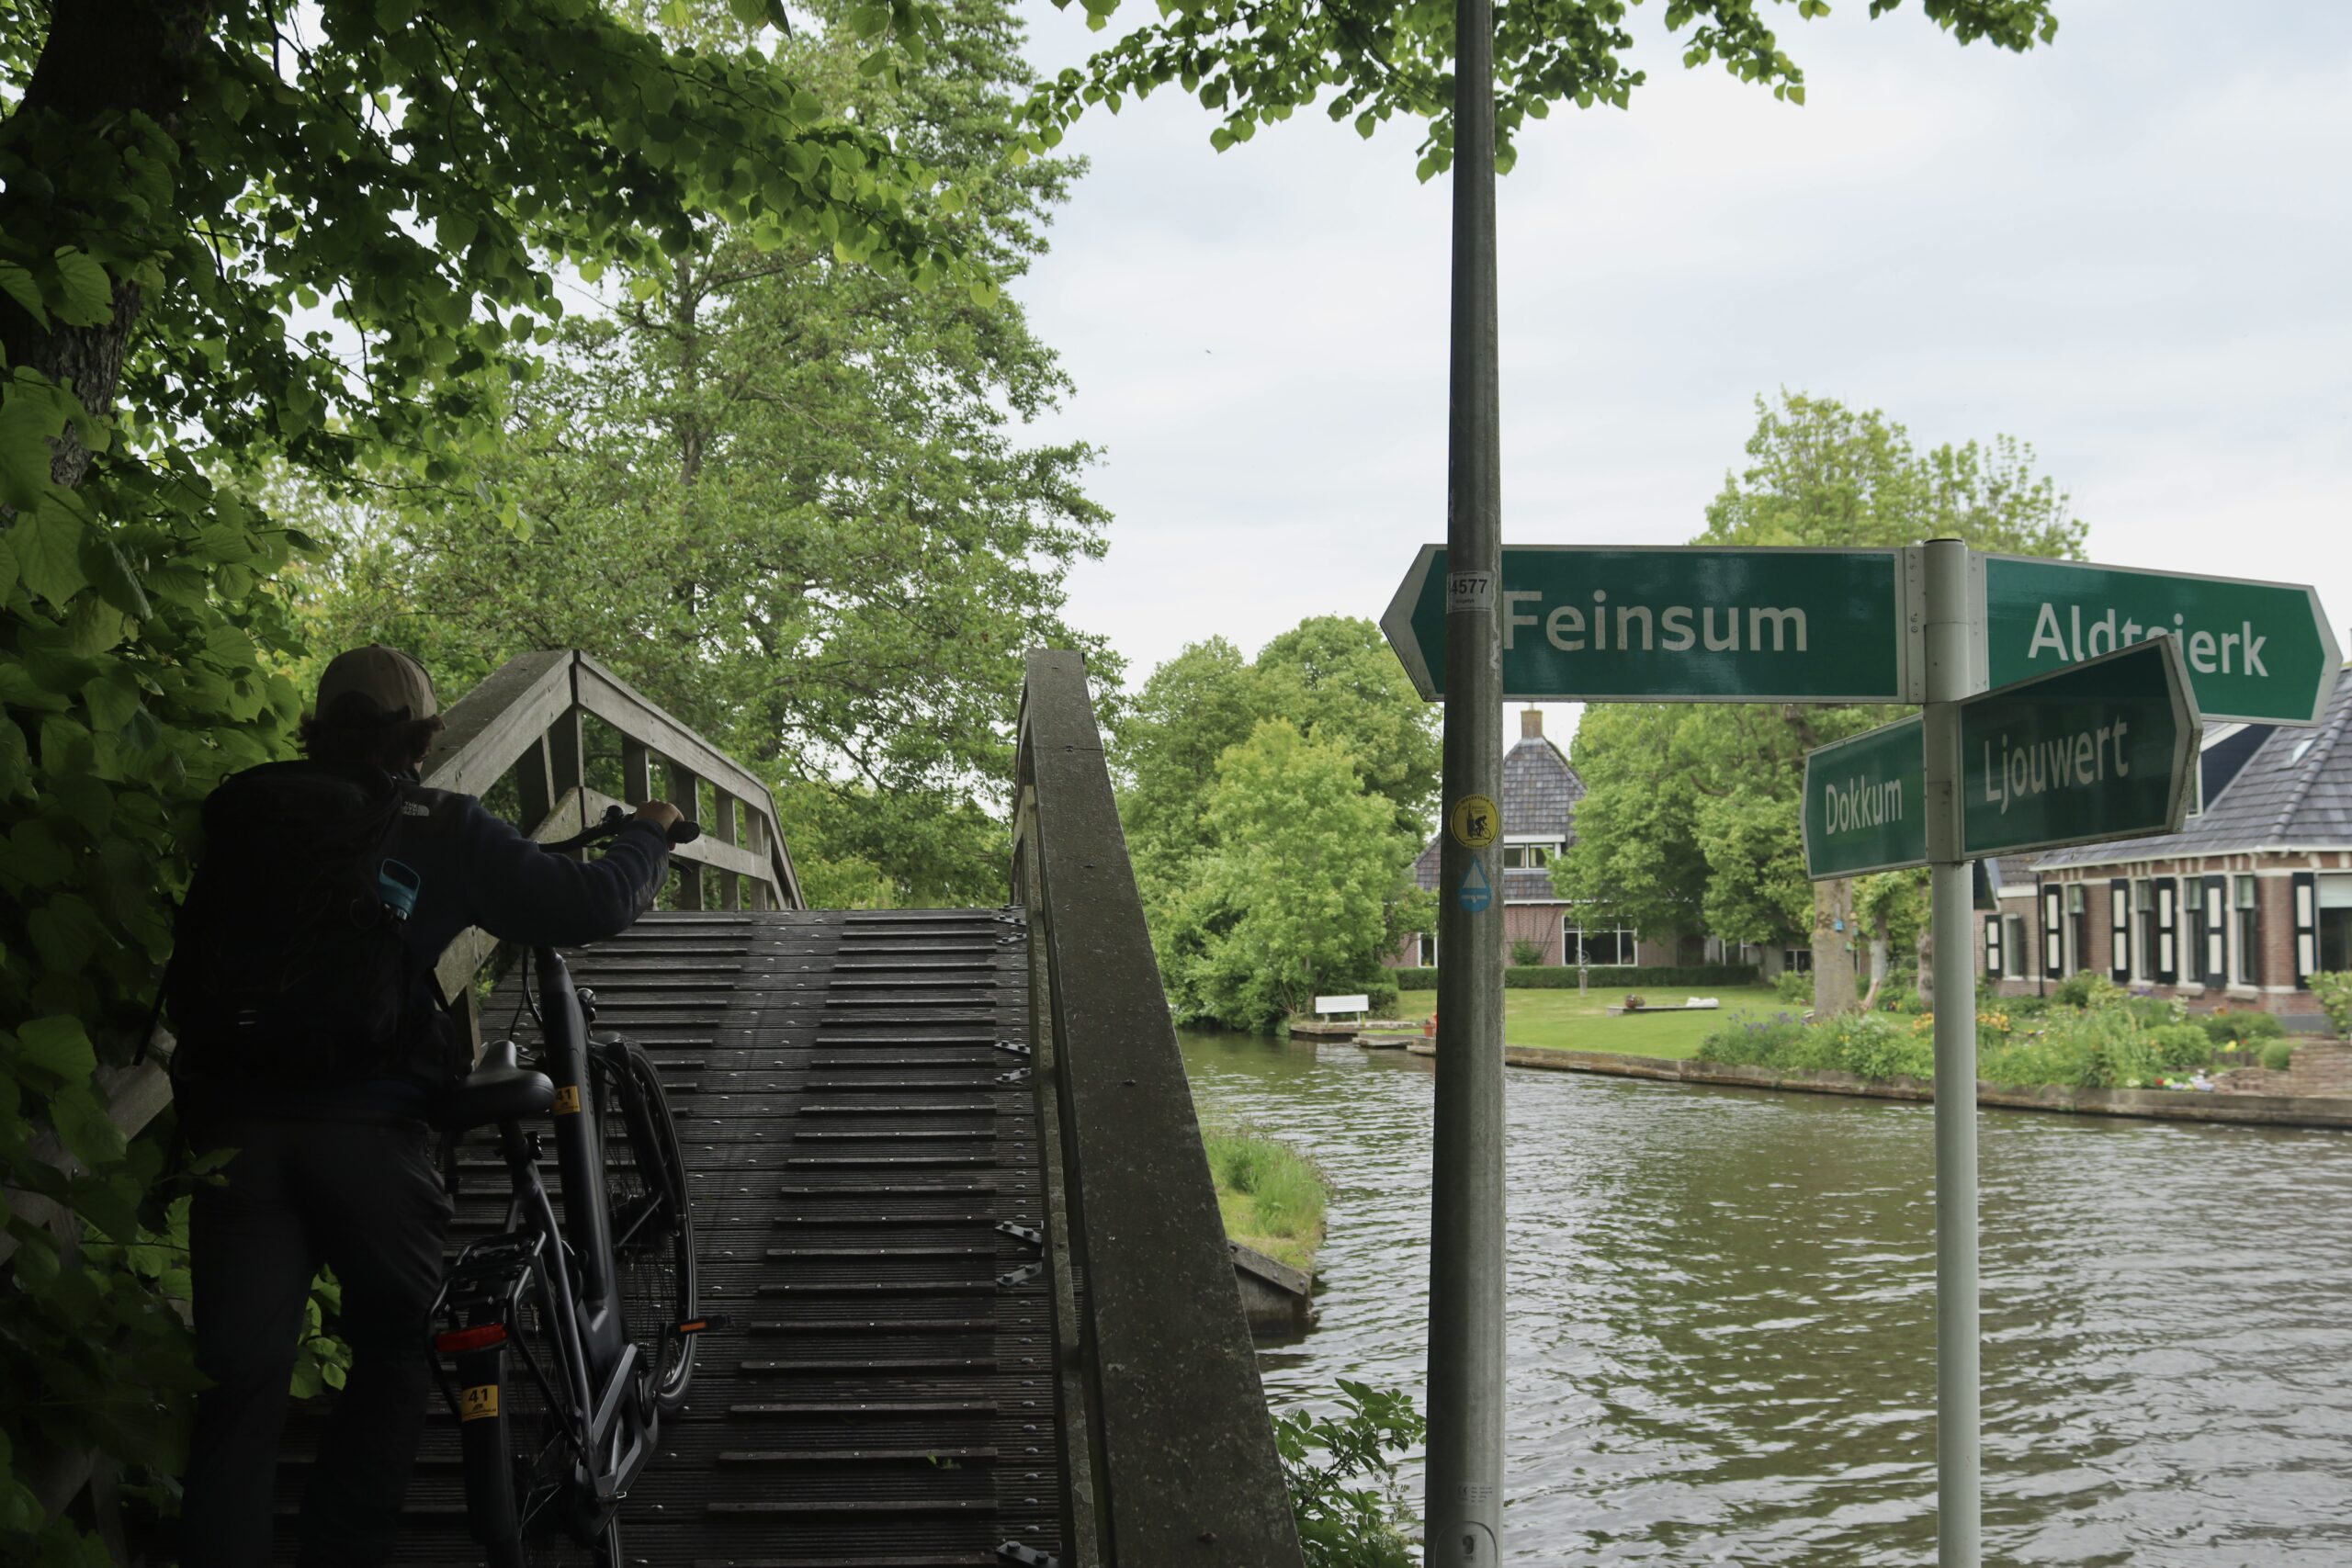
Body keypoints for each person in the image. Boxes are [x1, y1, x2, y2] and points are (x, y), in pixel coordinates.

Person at [174, 645, 684, 1567]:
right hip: (372, 1136)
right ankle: (344, 1549)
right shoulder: (435, 825)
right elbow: (589, 901)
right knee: (395, 1349)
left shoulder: (246, 816)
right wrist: (647, 831)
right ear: (424, 734)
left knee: (240, 1384)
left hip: (236, 1134)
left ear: (315, 728)